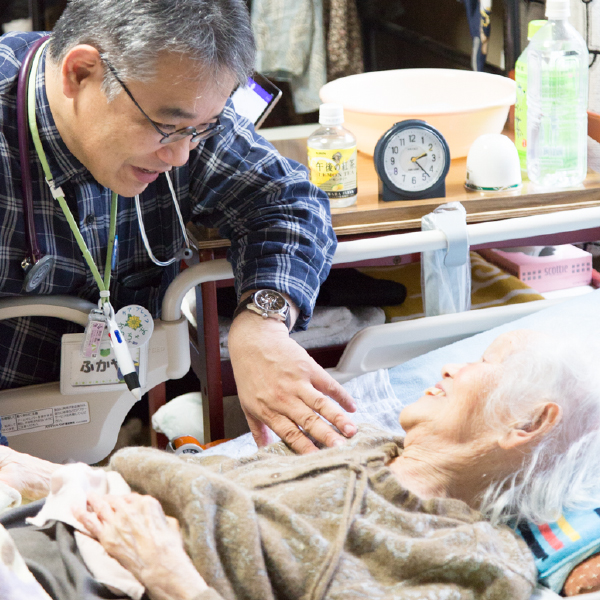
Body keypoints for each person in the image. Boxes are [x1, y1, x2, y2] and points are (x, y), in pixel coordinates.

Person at [0, 329, 599, 600]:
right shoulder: (350, 439)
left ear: (527, 424)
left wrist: (167, 574)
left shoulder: (476, 564)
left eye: (484, 363)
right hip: (61, 514)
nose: (451, 367)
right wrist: (44, 475)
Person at [0, 0, 357, 454]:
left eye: (203, 129)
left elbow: (286, 202)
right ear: (80, 73)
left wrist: (262, 324)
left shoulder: (180, 110)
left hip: (107, 416)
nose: (182, 156)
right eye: (166, 128)